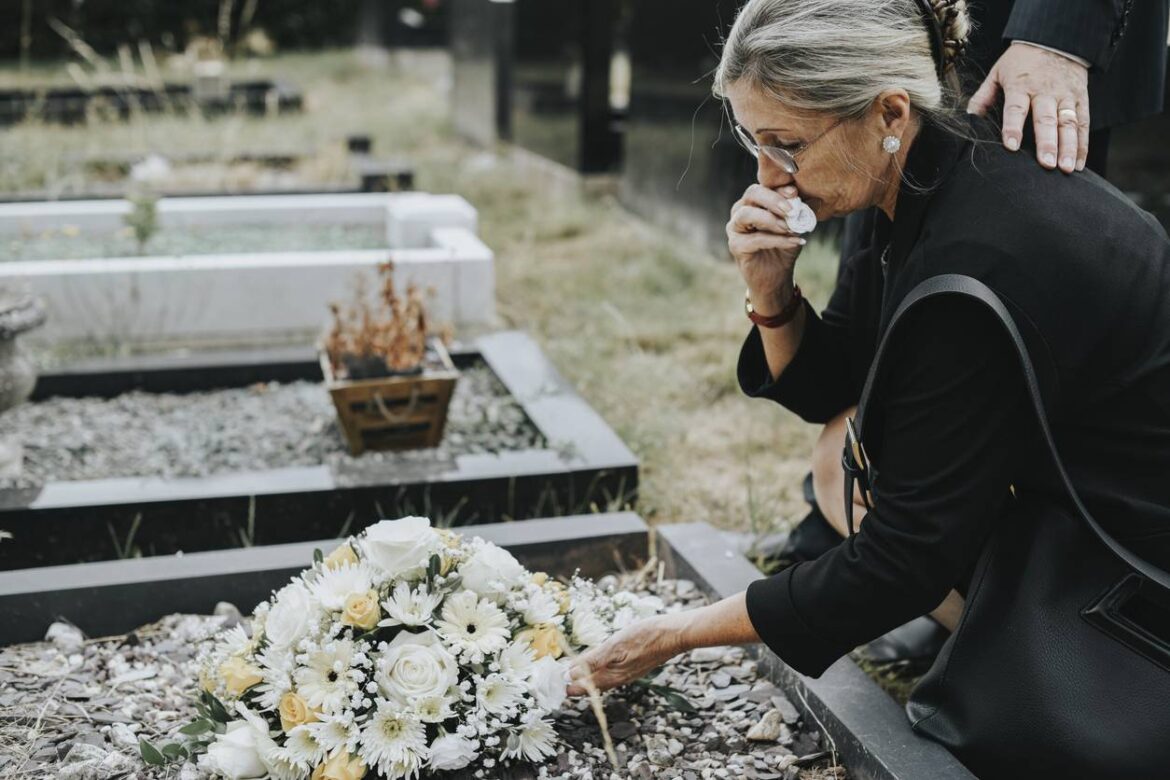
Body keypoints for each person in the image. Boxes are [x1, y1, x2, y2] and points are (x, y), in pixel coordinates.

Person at [566, 0, 1170, 773]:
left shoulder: (981, 253)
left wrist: (676, 634)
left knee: (863, 483)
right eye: (753, 140)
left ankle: (1050, 661)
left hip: (1134, 565)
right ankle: (986, 628)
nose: (768, 175)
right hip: (1070, 498)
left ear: (888, 108)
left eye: (787, 144)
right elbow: (829, 388)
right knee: (839, 460)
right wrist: (771, 292)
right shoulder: (912, 173)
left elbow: (903, 558)